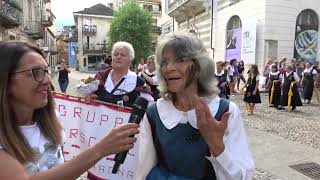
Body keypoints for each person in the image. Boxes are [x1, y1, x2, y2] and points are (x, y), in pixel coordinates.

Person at [0, 41, 139, 179]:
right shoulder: (102, 76)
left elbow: (58, 164)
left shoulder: (52, 118)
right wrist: (101, 149)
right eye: (35, 72)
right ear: (5, 79)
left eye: (46, 71)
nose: (48, 80)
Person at [135, 33, 254, 180]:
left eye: (180, 60)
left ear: (199, 66)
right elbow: (143, 170)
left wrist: (217, 146)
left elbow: (241, 177)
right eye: (165, 62)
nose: (169, 68)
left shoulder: (225, 112)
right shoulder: (154, 113)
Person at [92, 41, 152, 107]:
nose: (118, 57)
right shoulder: (101, 76)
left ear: (131, 60)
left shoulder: (138, 82)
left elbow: (150, 105)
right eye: (115, 54)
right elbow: (85, 97)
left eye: (123, 55)